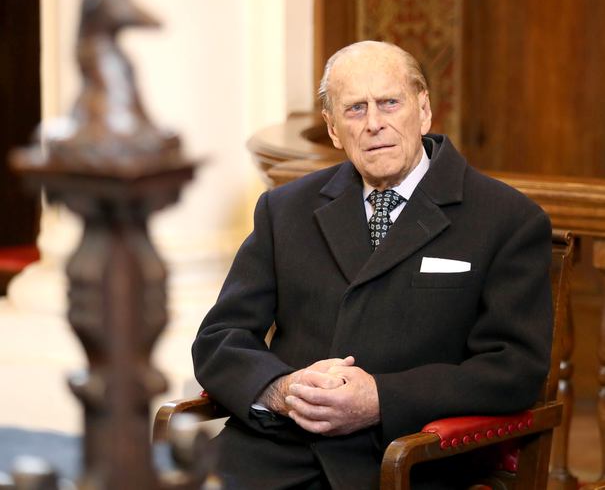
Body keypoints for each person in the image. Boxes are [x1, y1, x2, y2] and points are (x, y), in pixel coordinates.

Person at [192, 41, 552, 489]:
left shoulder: (507, 219)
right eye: (355, 109)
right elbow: (220, 339)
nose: (374, 123)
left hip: (403, 459)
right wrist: (282, 390)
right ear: (333, 129)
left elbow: (514, 370)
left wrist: (381, 398)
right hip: (273, 450)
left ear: (424, 110)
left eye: (389, 103)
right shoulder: (284, 209)